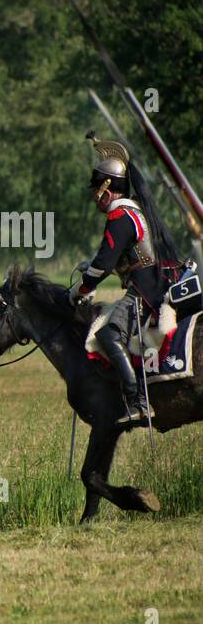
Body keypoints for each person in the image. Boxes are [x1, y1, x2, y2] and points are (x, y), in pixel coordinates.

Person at [70, 134, 183, 427]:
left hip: (145, 289)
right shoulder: (132, 210)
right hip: (150, 282)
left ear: (106, 189)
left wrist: (81, 288)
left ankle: (138, 400)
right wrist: (92, 267)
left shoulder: (119, 215)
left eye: (96, 187)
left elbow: (104, 265)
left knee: (108, 335)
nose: (94, 194)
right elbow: (112, 259)